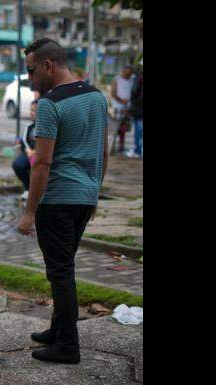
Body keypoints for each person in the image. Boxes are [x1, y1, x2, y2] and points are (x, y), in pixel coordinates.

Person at [16, 38, 109, 365]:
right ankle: (57, 329)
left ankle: (68, 345)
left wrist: (29, 211)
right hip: (84, 195)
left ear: (48, 65)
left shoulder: (50, 104)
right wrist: (94, 191)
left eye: (30, 70)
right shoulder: (97, 96)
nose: (29, 78)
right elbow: (103, 150)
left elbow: (42, 162)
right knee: (63, 269)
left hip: (57, 200)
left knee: (60, 273)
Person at [11, 97, 39, 197]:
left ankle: (38, 191)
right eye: (31, 110)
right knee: (17, 164)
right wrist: (28, 150)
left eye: (35, 111)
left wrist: (35, 152)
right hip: (29, 153)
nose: (32, 113)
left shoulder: (46, 127)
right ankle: (28, 188)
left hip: (40, 155)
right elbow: (24, 141)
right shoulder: (29, 127)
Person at [110, 65, 134, 156]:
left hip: (128, 107)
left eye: (129, 74)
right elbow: (113, 93)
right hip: (118, 107)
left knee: (124, 128)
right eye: (126, 73)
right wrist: (121, 101)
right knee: (115, 128)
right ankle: (113, 147)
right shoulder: (116, 79)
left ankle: (121, 147)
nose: (127, 75)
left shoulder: (132, 80)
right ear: (123, 72)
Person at [128, 67, 142, 159]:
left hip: (139, 106)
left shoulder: (138, 77)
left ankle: (138, 150)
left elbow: (134, 91)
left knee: (138, 129)